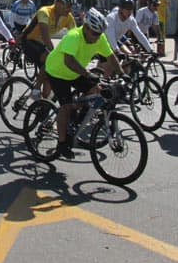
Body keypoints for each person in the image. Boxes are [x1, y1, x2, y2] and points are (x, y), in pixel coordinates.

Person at [43, 8, 124, 159]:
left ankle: (76, 119)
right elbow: (69, 61)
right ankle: (62, 143)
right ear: (86, 27)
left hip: (74, 72)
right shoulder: (73, 36)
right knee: (66, 107)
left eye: (99, 34)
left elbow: (111, 56)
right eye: (94, 33)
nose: (97, 37)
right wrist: (87, 74)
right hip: (57, 72)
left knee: (96, 91)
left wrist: (122, 73)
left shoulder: (99, 37)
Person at [21, 0, 77, 98]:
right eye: (68, 6)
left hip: (42, 44)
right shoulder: (44, 12)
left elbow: (76, 35)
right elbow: (45, 36)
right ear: (58, 3)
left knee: (49, 76)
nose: (70, 9)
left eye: (71, 7)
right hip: (29, 40)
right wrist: (55, 52)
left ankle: (44, 103)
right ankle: (36, 89)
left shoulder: (68, 17)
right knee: (49, 57)